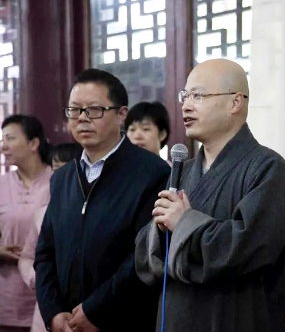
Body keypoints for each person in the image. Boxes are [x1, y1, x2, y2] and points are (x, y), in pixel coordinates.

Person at [135, 58, 285, 332]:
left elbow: (245, 247)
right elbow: (145, 258)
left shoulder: (268, 169)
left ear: (235, 102)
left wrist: (184, 224)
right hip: (176, 317)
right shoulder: (182, 172)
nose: (185, 105)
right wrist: (161, 231)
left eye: (198, 95)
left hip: (234, 317)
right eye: (185, 96)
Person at [34, 68, 171, 332]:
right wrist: (53, 312)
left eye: (94, 110)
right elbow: (45, 254)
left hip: (123, 320)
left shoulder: (152, 173)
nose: (82, 119)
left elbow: (144, 256)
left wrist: (95, 311)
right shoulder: (62, 178)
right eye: (75, 110)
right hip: (67, 323)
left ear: (121, 114)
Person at [18, 142, 82, 332]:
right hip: (48, 311)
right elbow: (28, 256)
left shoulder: (98, 211)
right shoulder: (42, 213)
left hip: (85, 311)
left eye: (66, 168)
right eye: (55, 170)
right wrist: (36, 278)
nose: (60, 176)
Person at [0, 115, 52, 332]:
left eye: (10, 138)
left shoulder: (59, 181)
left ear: (33, 143)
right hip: (6, 299)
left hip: (46, 299)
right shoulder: (2, 185)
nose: (4, 146)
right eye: (2, 139)